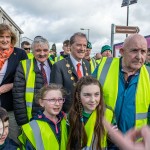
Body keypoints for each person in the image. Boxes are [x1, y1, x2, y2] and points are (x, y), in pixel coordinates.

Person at [94, 34, 150, 148]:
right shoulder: (103, 67)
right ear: (122, 51)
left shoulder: (148, 75)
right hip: (103, 141)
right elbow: (83, 98)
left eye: (143, 51)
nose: (139, 56)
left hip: (134, 144)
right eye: (134, 50)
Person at [13, 36, 53, 126]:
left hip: (51, 115)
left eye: (45, 50)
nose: (42, 53)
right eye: (38, 50)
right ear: (32, 51)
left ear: (49, 51)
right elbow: (18, 95)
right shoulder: (24, 65)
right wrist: (23, 122)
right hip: (31, 117)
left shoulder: (54, 66)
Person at [67, 76, 113, 150]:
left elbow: (113, 144)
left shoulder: (108, 114)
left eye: (96, 94)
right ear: (77, 96)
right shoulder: (72, 115)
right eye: (87, 95)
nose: (93, 100)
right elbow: (70, 142)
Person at [0, 23, 27, 143]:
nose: (5, 40)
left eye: (8, 37)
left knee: (12, 138)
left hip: (10, 105)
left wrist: (10, 86)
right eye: (1, 37)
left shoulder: (20, 54)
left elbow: (26, 77)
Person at [50, 32, 91, 112]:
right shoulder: (59, 66)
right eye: (79, 45)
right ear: (70, 46)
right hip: (67, 115)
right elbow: (56, 96)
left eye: (84, 45)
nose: (82, 49)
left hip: (86, 113)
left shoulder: (87, 64)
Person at [18, 84, 68, 150]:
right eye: (52, 100)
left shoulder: (66, 122)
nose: (57, 104)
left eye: (60, 99)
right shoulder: (31, 128)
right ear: (41, 102)